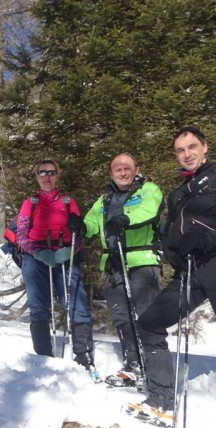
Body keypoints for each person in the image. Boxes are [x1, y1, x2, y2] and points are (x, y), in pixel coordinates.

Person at [127, 126, 216, 428]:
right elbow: (174, 234)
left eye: (192, 146)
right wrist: (173, 249)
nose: (187, 153)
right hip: (191, 271)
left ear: (204, 147)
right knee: (149, 324)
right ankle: (161, 398)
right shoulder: (178, 194)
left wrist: (208, 238)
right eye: (181, 150)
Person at [69, 153, 163, 388]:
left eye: (127, 168)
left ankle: (157, 371)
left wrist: (125, 219)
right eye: (117, 169)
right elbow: (92, 222)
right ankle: (133, 364)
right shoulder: (105, 199)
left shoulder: (148, 190)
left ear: (136, 169)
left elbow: (150, 211)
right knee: (122, 317)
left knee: (146, 316)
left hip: (141, 260)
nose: (122, 172)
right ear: (111, 173)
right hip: (113, 263)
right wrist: (81, 226)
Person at [16, 159, 98, 378]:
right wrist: (38, 253)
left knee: (76, 303)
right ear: (37, 177)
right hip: (36, 255)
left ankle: (84, 358)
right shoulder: (30, 203)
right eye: (42, 173)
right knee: (38, 306)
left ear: (57, 175)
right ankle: (44, 358)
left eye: (51, 172)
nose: (47, 177)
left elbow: (79, 233)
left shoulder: (69, 202)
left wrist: (68, 252)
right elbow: (21, 236)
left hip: (64, 254)